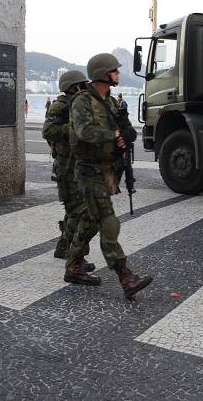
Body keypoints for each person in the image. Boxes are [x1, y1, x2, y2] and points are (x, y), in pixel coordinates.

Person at [64, 53, 152, 299]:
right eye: (114, 70)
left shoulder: (110, 102)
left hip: (107, 169)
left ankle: (73, 266)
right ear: (103, 73)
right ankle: (126, 276)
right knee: (108, 221)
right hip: (88, 170)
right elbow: (83, 131)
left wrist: (125, 138)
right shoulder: (82, 101)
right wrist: (112, 135)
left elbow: (118, 131)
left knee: (92, 220)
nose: (118, 73)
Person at [42, 70, 92, 261]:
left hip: (78, 165)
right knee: (78, 208)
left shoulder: (79, 104)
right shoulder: (60, 106)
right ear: (72, 87)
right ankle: (72, 253)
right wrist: (72, 128)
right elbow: (48, 131)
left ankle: (64, 247)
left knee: (75, 208)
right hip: (66, 167)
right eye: (82, 85)